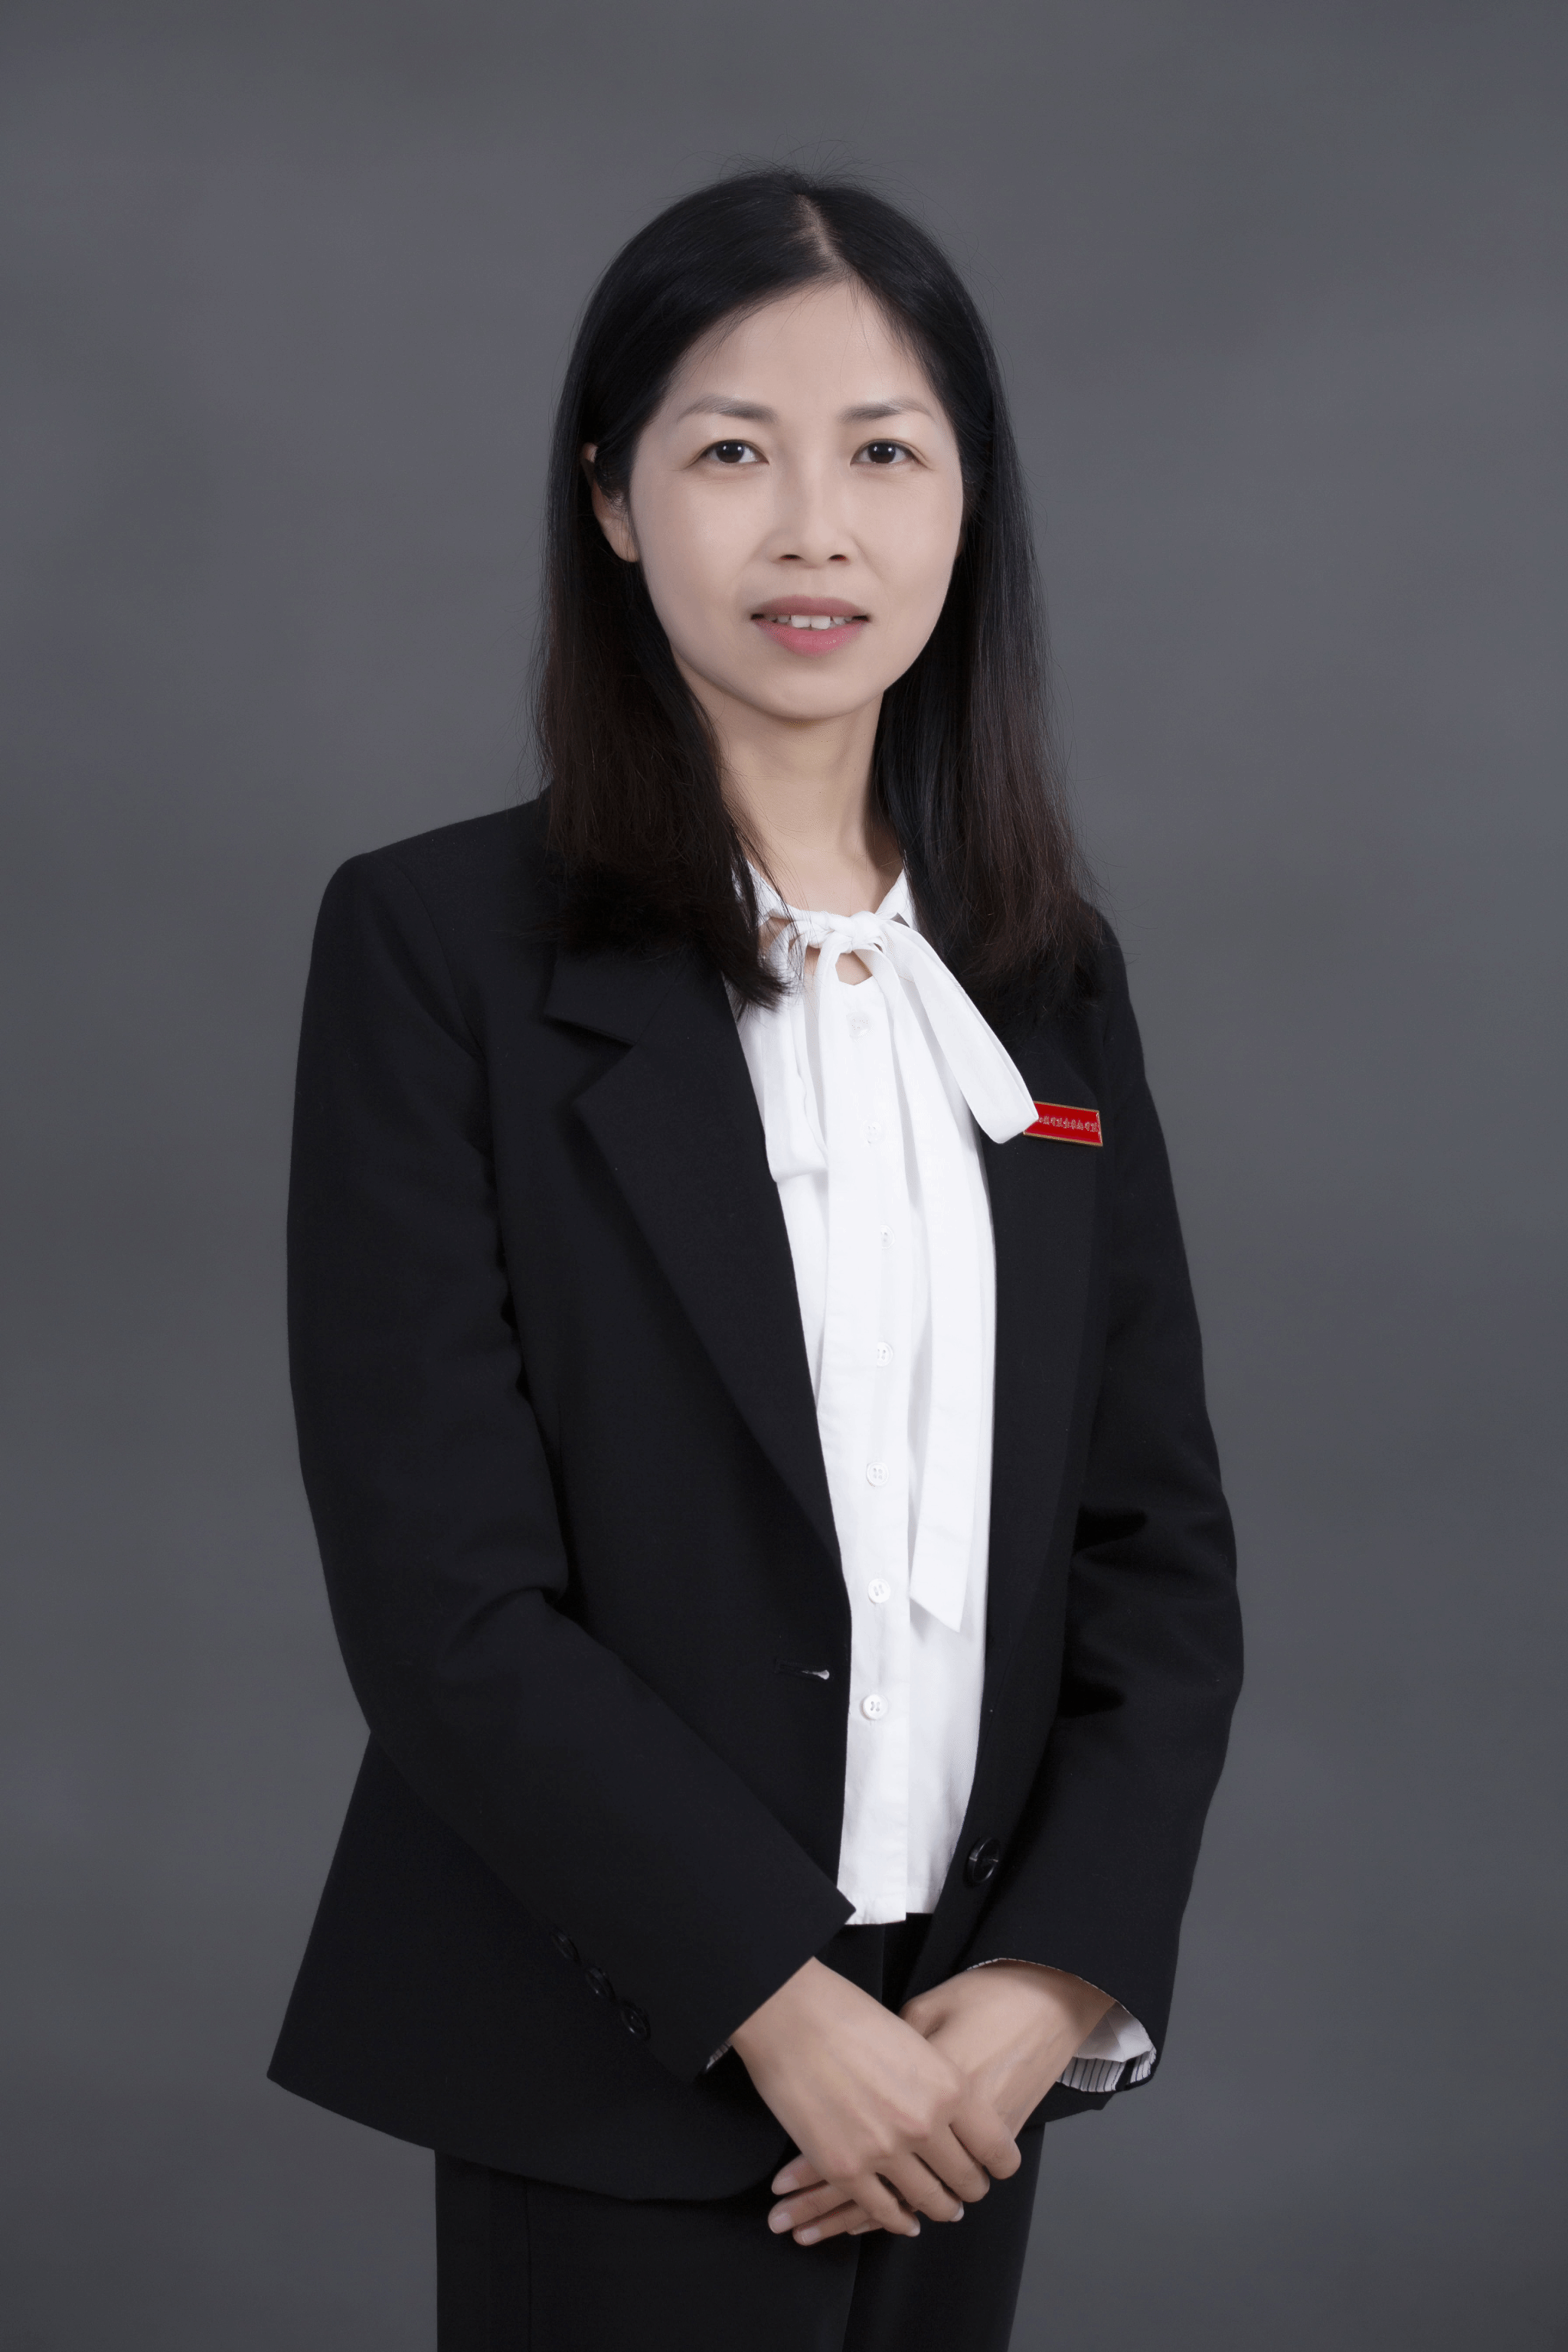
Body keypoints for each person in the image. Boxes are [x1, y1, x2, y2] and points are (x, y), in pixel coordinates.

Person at [269, 168, 1243, 2352]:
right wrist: (775, 2003)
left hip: (970, 2054)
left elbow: (1155, 1548)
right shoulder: (435, 949)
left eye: (886, 453)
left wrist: (1051, 1980)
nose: (818, 530)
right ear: (613, 501)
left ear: (967, 510)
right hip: (629, 2029)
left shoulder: (1047, 982)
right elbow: (442, 1594)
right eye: (732, 451)